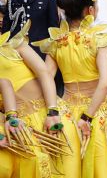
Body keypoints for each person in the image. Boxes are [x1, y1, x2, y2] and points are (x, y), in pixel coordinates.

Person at [34, 0, 107, 176]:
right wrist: (87, 117)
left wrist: (52, 110)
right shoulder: (99, 38)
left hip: (66, 110)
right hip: (94, 111)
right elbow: (104, 83)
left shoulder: (57, 41)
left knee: (68, 169)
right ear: (90, 11)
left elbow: (47, 76)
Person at [0, 21, 60, 177]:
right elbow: (5, 85)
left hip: (48, 113)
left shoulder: (15, 44)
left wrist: (53, 111)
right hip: (18, 126)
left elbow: (44, 73)